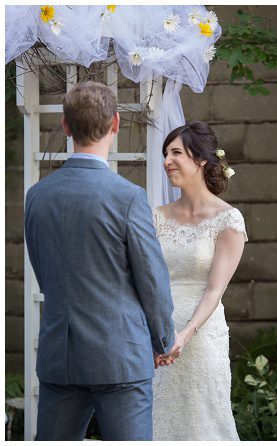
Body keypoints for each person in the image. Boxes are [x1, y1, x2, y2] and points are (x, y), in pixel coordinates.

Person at [25, 82, 177, 441]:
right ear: (116, 123)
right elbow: (152, 279)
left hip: (60, 356)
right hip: (120, 356)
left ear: (64, 125)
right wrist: (163, 339)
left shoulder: (37, 196)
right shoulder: (127, 197)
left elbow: (44, 272)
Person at [145, 120, 249, 440]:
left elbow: (214, 289)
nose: (167, 161)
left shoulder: (228, 220)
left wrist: (184, 335)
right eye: (165, 154)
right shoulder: (156, 216)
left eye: (176, 152)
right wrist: (152, 331)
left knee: (200, 419)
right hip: (156, 335)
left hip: (200, 335)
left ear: (201, 160)